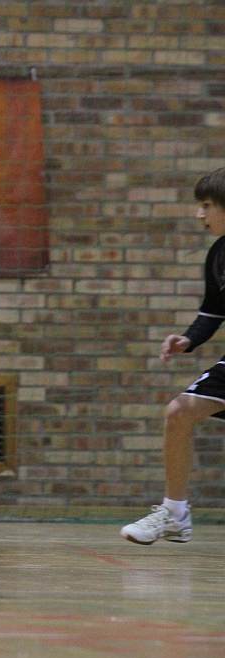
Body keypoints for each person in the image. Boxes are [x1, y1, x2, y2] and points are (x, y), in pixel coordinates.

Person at [121, 167, 225, 545]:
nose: (200, 215)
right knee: (179, 412)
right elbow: (213, 311)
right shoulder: (219, 254)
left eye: (207, 205)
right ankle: (175, 514)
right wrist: (188, 339)